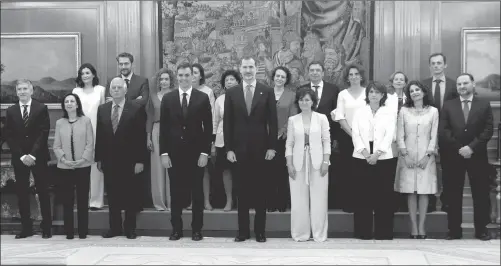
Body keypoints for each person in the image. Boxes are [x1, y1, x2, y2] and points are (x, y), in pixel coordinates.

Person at [224, 56, 278, 243]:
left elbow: (273, 122)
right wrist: (229, 149)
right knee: (241, 191)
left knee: (260, 191)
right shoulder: (232, 93)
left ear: (257, 69)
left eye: (251, 67)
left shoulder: (267, 91)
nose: (248, 70)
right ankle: (243, 231)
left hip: (261, 150)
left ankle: (260, 232)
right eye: (245, 67)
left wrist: (272, 147)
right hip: (238, 151)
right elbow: (228, 124)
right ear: (240, 69)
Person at [159, 63, 212, 241]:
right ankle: (176, 229)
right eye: (180, 75)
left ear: (193, 76)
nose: (183, 78)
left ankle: (197, 229)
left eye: (187, 75)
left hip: (196, 154)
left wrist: (205, 153)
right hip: (173, 154)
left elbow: (208, 127)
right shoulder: (168, 98)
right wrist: (164, 153)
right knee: (176, 193)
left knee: (197, 193)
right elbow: (164, 129)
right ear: (177, 77)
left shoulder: (203, 98)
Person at [439, 73, 493, 241]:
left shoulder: (484, 104)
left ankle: (481, 230)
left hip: (477, 156)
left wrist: (471, 147)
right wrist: (460, 148)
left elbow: (488, 130)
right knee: (453, 194)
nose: (462, 86)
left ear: (473, 84)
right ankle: (454, 230)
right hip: (454, 156)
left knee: (481, 194)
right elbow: (444, 131)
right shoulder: (448, 106)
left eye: (465, 83)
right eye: (459, 84)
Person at [95, 77, 146, 239]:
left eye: (119, 87)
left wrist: (140, 160)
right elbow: (100, 136)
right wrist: (99, 158)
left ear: (125, 90)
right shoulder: (102, 109)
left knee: (130, 195)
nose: (116, 90)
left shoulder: (136, 108)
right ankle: (114, 228)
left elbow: (141, 137)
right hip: (109, 160)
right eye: (113, 87)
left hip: (130, 161)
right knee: (113, 196)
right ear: (109, 90)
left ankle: (130, 229)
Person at [4, 79, 52, 239]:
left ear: (32, 91)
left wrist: (32, 155)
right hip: (20, 158)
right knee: (22, 193)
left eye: (25, 88)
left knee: (43, 192)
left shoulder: (41, 108)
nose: (23, 91)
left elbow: (43, 133)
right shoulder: (11, 111)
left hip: (38, 157)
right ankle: (26, 228)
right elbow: (9, 136)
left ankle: (46, 227)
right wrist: (22, 155)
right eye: (19, 89)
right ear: (16, 92)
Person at [351, 81, 396, 240]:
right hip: (361, 157)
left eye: (377, 92)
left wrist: (377, 154)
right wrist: (365, 153)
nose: (374, 95)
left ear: (382, 95)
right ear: (367, 94)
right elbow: (355, 134)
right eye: (371, 92)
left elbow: (389, 135)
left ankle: (383, 233)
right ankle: (363, 232)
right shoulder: (359, 112)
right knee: (363, 196)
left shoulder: (389, 112)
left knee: (383, 196)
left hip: (383, 158)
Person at [394, 81, 439, 239]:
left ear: (424, 92)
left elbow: (434, 136)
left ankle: (422, 227)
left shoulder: (433, 111)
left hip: (426, 157)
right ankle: (413, 228)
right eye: (411, 91)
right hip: (408, 157)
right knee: (411, 192)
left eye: (417, 90)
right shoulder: (404, 111)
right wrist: (405, 155)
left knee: (424, 192)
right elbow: (399, 135)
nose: (414, 92)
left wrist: (428, 155)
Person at [285, 88, 331, 242]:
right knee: (298, 200)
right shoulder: (293, 120)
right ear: (298, 102)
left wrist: (326, 162)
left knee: (319, 199)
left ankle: (319, 234)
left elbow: (326, 141)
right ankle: (300, 234)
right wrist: (289, 164)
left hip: (318, 163)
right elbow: (289, 143)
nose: (304, 102)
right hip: (298, 163)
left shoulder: (322, 118)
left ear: (313, 102)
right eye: (301, 99)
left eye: (307, 100)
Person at [106, 52, 150, 208]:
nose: (123, 67)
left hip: (134, 133)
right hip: (114, 136)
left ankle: (134, 212)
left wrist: (122, 101)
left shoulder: (142, 81)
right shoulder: (112, 81)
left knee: (134, 180)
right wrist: (132, 100)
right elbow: (108, 101)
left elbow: (143, 101)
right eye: (121, 64)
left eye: (126, 64)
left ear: (132, 64)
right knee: (115, 184)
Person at [298, 61, 339, 209]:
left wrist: (335, 138)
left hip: (326, 137)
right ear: (308, 73)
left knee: (324, 170)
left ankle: (325, 203)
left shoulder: (333, 89)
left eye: (318, 70)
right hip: (306, 138)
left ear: (323, 73)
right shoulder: (301, 89)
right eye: (312, 70)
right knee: (308, 169)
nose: (315, 73)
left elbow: (336, 114)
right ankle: (308, 202)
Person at [53, 93, 94, 239]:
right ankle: (69, 232)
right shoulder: (59, 123)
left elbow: (90, 143)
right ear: (64, 105)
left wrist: (83, 159)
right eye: (66, 101)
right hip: (65, 167)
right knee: (67, 200)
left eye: (72, 101)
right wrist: (64, 160)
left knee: (82, 199)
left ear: (77, 104)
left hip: (83, 166)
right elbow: (56, 146)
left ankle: (83, 232)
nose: (69, 103)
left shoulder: (86, 121)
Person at [421, 52, 458, 212]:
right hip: (426, 132)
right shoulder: (423, 84)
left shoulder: (454, 84)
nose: (436, 66)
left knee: (449, 168)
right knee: (427, 168)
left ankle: (446, 201)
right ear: (430, 66)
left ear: (445, 65)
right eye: (433, 63)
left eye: (439, 63)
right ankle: (429, 202)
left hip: (448, 133)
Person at [331, 64, 367, 212]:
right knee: (347, 171)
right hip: (347, 137)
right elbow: (340, 116)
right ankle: (348, 204)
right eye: (350, 75)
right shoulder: (343, 94)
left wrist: (360, 136)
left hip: (366, 137)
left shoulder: (368, 93)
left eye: (356, 74)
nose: (353, 77)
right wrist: (353, 135)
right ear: (347, 78)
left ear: (361, 76)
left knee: (363, 172)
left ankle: (363, 203)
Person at [72, 63, 106, 210]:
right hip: (80, 131)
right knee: (82, 165)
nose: (85, 76)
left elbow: (104, 112)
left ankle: (96, 201)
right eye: (82, 73)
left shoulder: (101, 90)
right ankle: (82, 201)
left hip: (98, 131)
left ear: (93, 74)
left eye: (87, 73)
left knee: (96, 166)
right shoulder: (76, 91)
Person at [267, 66, 297, 213]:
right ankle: (270, 203)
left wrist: (282, 131)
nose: (279, 79)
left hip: (284, 139)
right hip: (266, 139)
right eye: (277, 76)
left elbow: (293, 116)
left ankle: (282, 203)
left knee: (282, 171)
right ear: (273, 77)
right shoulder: (265, 93)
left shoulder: (291, 95)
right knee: (268, 172)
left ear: (286, 80)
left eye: (283, 77)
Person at [146, 68, 175, 211]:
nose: (164, 82)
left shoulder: (176, 95)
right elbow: (150, 117)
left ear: (171, 81)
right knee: (157, 167)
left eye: (166, 79)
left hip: (172, 132)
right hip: (156, 131)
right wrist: (148, 136)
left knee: (172, 165)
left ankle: (173, 202)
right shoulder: (153, 97)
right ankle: (160, 202)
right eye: (161, 79)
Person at [213, 70, 241, 211]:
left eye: (232, 79)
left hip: (240, 140)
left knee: (241, 171)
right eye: (227, 80)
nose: (229, 82)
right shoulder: (220, 100)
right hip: (222, 140)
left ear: (238, 82)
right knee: (226, 171)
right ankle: (229, 200)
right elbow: (215, 121)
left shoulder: (243, 97)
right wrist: (213, 141)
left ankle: (242, 201)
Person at [192, 63, 216, 211]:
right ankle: (192, 201)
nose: (193, 75)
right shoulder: (183, 91)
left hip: (203, 136)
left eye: (195, 72)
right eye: (190, 72)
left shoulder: (208, 92)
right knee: (188, 171)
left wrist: (211, 141)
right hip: (186, 138)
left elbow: (212, 116)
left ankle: (206, 201)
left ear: (200, 75)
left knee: (204, 170)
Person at [386, 71, 409, 213]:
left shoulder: (410, 98)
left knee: (406, 170)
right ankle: (393, 202)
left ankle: (404, 203)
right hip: (391, 140)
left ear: (405, 82)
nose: (399, 81)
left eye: (402, 79)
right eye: (396, 79)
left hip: (408, 139)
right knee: (393, 170)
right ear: (392, 82)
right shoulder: (388, 98)